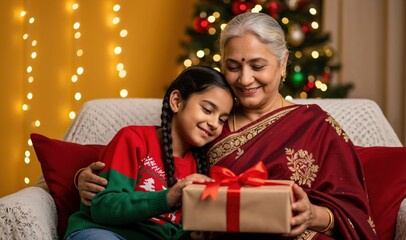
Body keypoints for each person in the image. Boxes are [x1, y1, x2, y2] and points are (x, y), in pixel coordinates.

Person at [77, 13, 378, 239]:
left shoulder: (317, 127)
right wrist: (81, 177)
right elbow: (155, 165)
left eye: (258, 66)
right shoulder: (206, 123)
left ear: (283, 63)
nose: (245, 79)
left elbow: (356, 212)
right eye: (233, 67)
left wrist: (314, 216)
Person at [64, 65, 234, 240]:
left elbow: (174, 231)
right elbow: (103, 209)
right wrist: (168, 198)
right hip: (105, 232)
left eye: (222, 120)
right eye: (207, 110)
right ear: (176, 101)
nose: (214, 123)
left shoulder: (200, 167)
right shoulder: (133, 139)